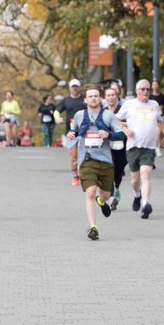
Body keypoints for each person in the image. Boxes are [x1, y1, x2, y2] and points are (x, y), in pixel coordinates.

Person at [65, 85, 124, 241]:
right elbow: (74, 131)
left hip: (105, 160)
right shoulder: (79, 115)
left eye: (96, 96)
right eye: (90, 96)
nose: (93, 98)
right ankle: (93, 227)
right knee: (90, 192)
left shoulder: (108, 116)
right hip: (87, 159)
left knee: (105, 195)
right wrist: (71, 134)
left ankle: (101, 200)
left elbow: (121, 135)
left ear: (100, 98)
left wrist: (108, 134)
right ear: (85, 99)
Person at [117, 79, 164, 219]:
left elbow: (159, 120)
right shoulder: (129, 104)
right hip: (133, 147)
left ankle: (146, 204)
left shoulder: (154, 104)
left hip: (149, 147)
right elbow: (116, 119)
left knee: (145, 174)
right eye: (143, 89)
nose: (146, 91)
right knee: (135, 180)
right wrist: (124, 129)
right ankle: (137, 195)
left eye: (147, 89)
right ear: (137, 90)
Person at [104, 85, 128, 208]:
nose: (111, 97)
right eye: (108, 95)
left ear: (117, 96)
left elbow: (130, 123)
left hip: (122, 144)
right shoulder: (103, 111)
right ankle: (112, 197)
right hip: (107, 145)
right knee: (110, 169)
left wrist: (118, 122)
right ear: (105, 98)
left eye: (113, 95)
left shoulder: (122, 110)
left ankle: (117, 187)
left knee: (118, 171)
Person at [60, 79, 87, 185]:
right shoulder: (65, 100)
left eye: (76, 86)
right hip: (71, 132)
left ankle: (85, 174)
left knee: (86, 154)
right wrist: (57, 118)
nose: (75, 88)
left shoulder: (85, 99)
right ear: (70, 88)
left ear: (79, 87)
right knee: (73, 155)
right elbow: (57, 110)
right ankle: (75, 176)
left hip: (85, 131)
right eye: (73, 86)